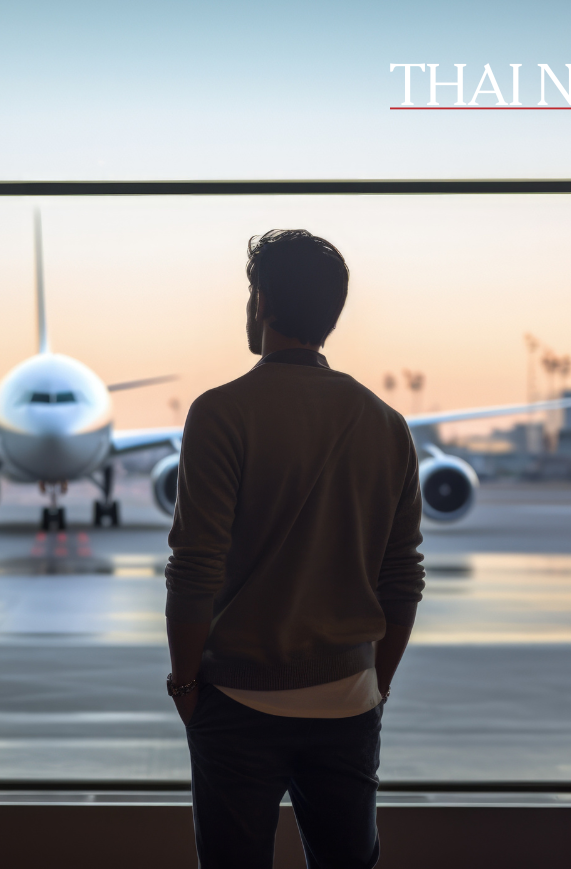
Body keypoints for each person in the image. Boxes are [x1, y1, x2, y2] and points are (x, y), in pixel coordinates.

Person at [164, 229, 425, 868]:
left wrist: (187, 684)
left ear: (260, 302)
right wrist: (375, 684)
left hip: (238, 698)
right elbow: (402, 579)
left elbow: (194, 568)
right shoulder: (386, 424)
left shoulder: (221, 413)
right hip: (348, 696)